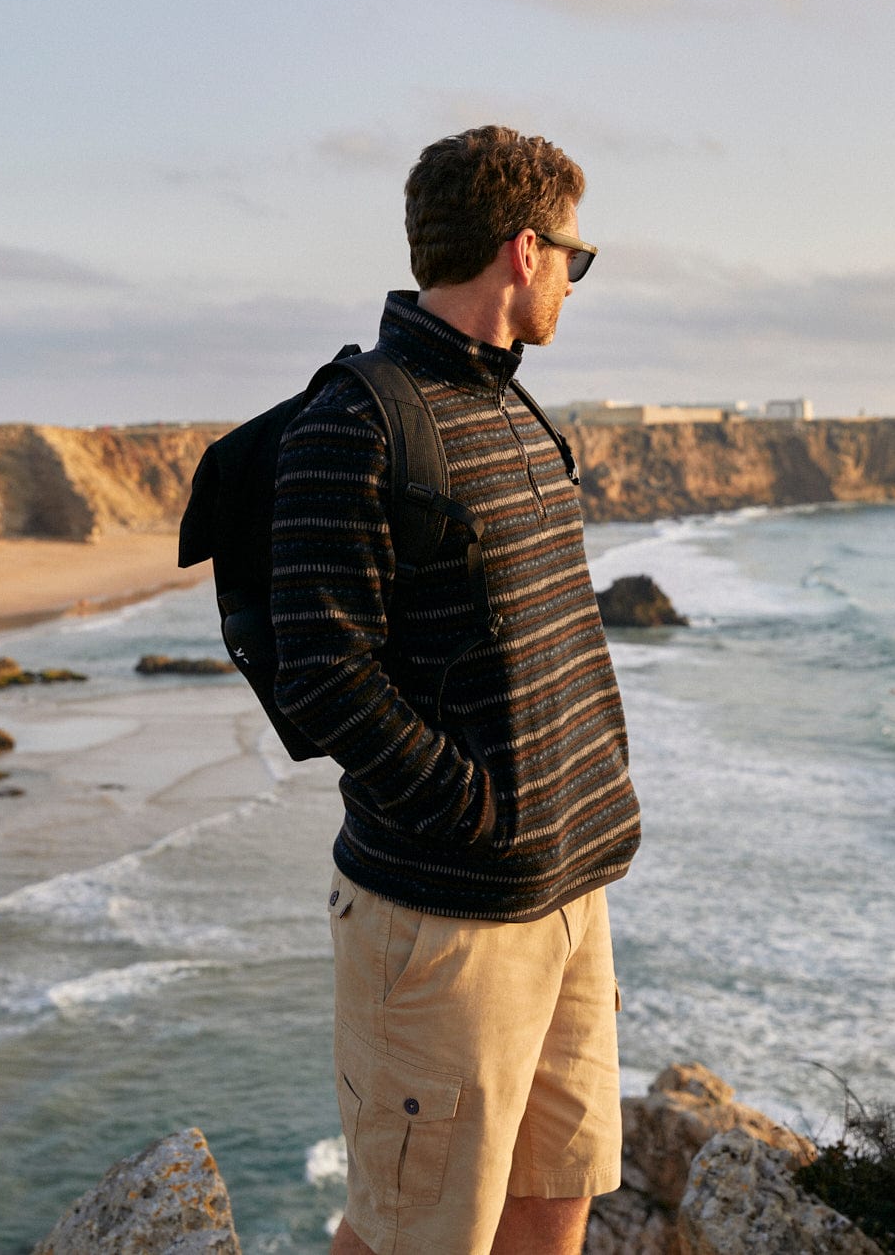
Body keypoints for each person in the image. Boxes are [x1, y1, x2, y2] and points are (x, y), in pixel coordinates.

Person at [271, 125, 641, 1255]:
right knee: (414, 1236)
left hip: (569, 899)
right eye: (574, 258)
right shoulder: (358, 420)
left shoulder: (513, 411)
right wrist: (473, 811)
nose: (574, 281)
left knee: (555, 1203)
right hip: (444, 927)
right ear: (523, 251)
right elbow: (321, 671)